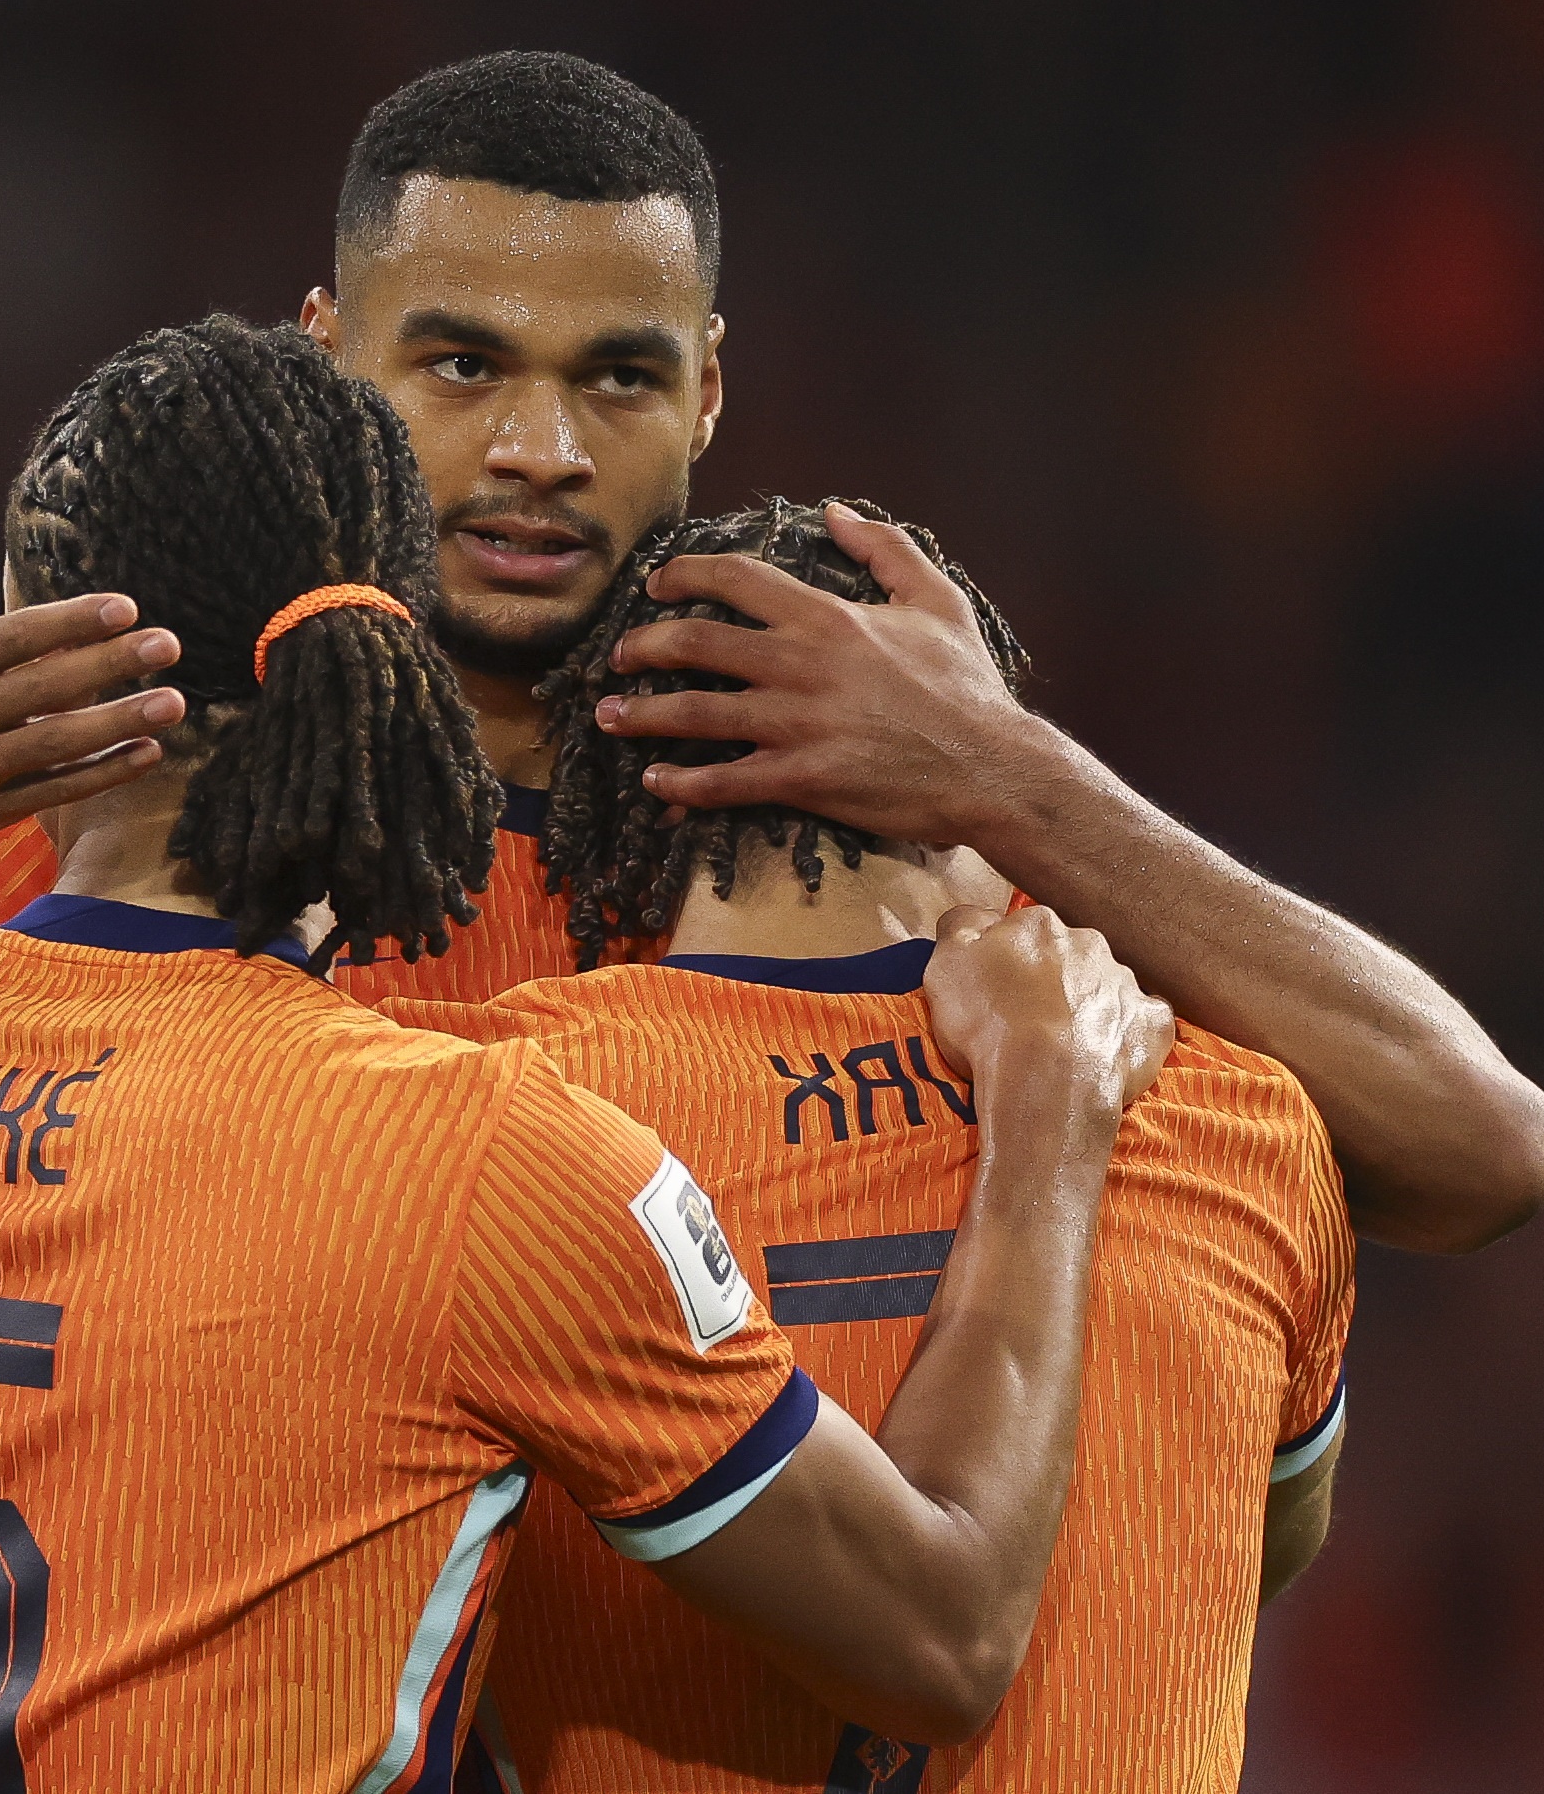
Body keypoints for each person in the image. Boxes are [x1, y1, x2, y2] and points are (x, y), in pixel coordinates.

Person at [0, 51, 1544, 1266]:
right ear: (326, 353)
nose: (540, 449)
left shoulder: (833, 814)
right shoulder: (126, 797)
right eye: (458, 363)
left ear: (715, 393)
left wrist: (1018, 780)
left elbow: (1480, 1144)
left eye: (617, 376)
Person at [0, 318, 1176, 1785]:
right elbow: (941, 1638)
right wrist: (1045, 1121)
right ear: (391, 653)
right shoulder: (489, 1158)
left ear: (30, 656)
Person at [383, 500, 1351, 1794]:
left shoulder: (488, 1121)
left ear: (628, 803)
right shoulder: (1245, 1120)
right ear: (976, 782)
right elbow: (1260, 1549)